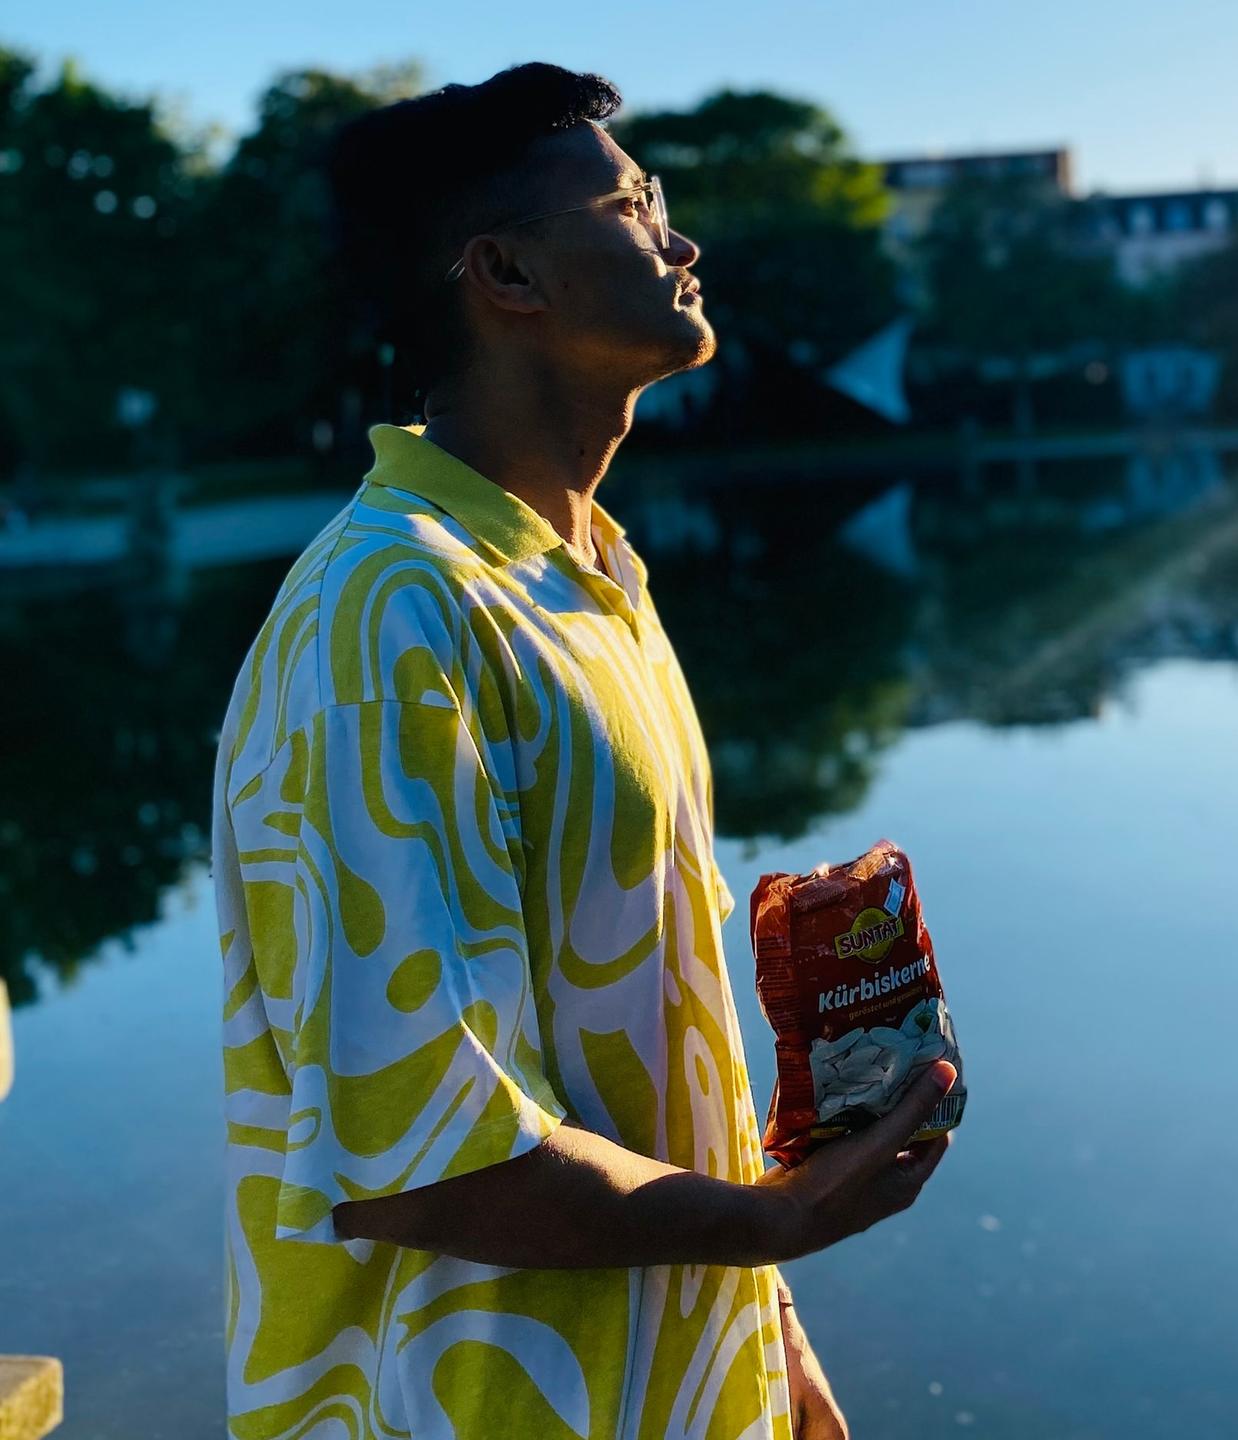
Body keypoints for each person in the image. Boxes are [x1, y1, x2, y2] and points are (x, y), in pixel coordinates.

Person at [209, 62, 954, 1440]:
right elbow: (426, 1162)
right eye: (629, 206)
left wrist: (769, 1345)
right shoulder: (389, 622)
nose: (682, 243)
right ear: (505, 273)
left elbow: (650, 1050)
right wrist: (772, 1225)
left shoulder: (583, 574)